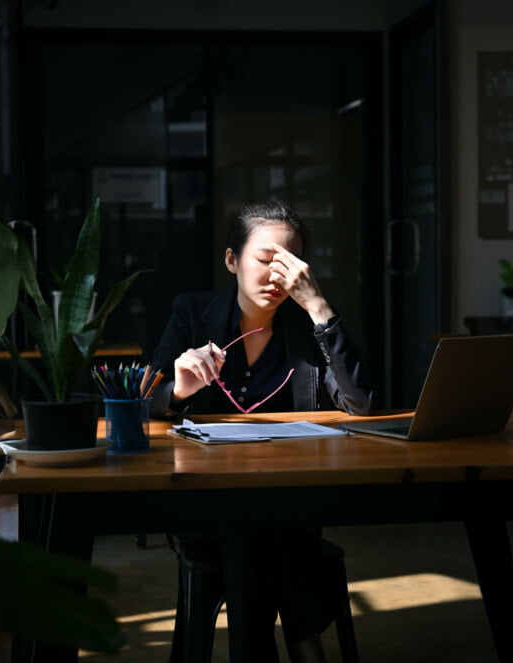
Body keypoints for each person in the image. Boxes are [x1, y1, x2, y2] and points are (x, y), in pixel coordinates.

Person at [150, 201, 375, 662]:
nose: (278, 275)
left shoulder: (308, 326)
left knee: (256, 523)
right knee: (249, 523)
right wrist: (176, 391)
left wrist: (317, 306)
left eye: (290, 265)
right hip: (204, 504)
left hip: (290, 501)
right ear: (232, 260)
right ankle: (305, 644)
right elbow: (134, 406)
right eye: (265, 260)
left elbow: (361, 405)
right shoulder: (191, 314)